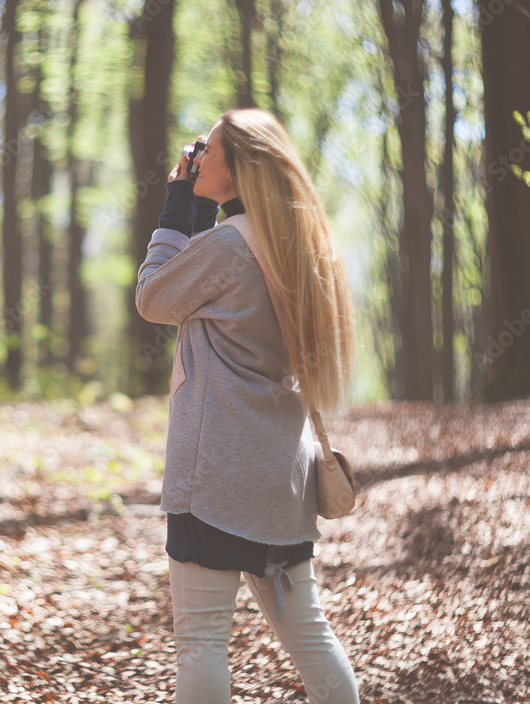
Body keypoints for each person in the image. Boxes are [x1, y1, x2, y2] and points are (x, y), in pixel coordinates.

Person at [135, 108, 359, 704]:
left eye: (207, 151)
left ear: (237, 170)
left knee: (202, 642)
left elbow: (154, 296)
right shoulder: (302, 248)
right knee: (310, 635)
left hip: (214, 477)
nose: (197, 158)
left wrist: (180, 206)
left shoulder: (228, 246)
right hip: (282, 481)